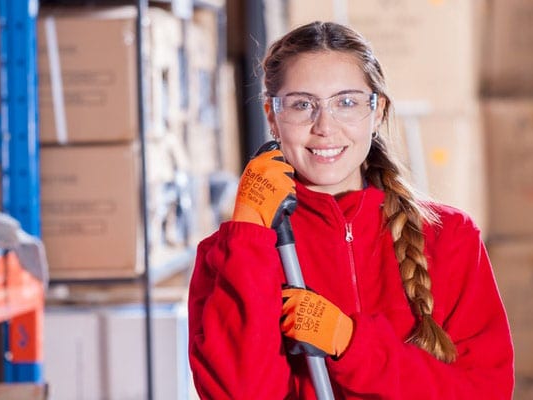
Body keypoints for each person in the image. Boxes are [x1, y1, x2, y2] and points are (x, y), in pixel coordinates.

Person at [188, 21, 514, 399]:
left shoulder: (450, 236)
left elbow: (485, 392)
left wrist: (352, 343)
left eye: (346, 102)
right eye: (301, 104)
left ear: (377, 112)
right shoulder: (228, 254)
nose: (325, 126)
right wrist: (247, 231)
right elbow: (240, 393)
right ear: (272, 116)